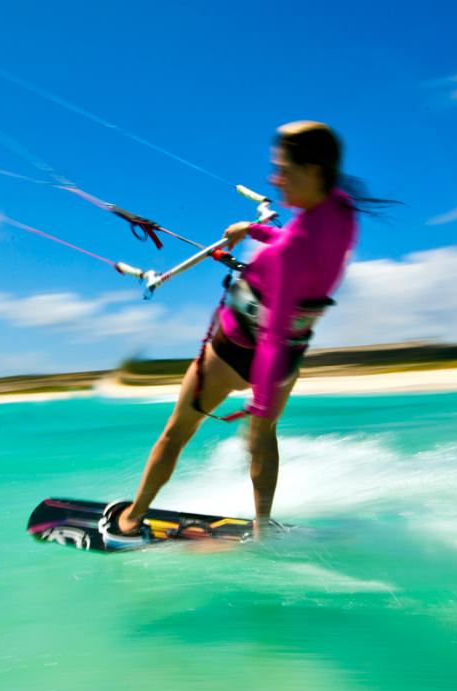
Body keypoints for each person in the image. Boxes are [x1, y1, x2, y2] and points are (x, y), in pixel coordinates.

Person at [99, 120, 388, 547]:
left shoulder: (288, 254)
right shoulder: (341, 211)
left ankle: (130, 519)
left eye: (282, 170)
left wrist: (259, 405)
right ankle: (262, 525)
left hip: (236, 352)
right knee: (264, 438)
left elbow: (272, 329)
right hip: (287, 359)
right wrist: (251, 230)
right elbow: (298, 243)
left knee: (177, 433)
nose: (274, 179)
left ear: (312, 169)